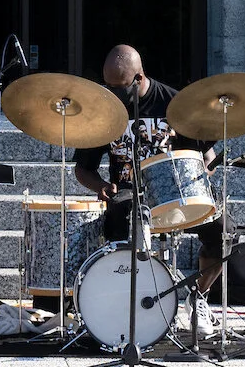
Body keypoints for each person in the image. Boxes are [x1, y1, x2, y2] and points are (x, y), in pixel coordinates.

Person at [72, 44, 224, 287]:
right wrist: (100, 186)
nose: (112, 93)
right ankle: (126, 298)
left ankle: (199, 298)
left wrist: (202, 175)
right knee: (120, 216)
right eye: (108, 86)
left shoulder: (174, 103)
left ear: (139, 78)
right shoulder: (105, 111)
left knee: (222, 232)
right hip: (127, 193)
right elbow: (82, 168)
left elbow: (207, 157)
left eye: (119, 87)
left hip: (174, 191)